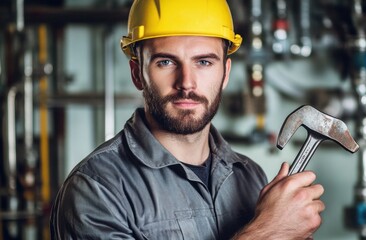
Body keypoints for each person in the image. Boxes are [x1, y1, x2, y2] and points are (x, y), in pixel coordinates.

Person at [50, 0, 325, 239]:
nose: (186, 82)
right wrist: (267, 231)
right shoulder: (97, 189)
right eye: (166, 62)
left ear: (225, 73)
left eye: (204, 62)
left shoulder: (249, 175)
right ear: (137, 73)